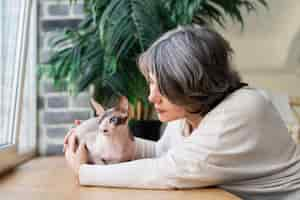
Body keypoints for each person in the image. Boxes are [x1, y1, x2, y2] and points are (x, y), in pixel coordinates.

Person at [63, 25, 300, 200]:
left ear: (191, 84)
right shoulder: (191, 111)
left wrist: (85, 171)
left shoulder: (239, 112)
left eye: (161, 86)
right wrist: (110, 142)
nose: (151, 97)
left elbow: (168, 172)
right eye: (151, 83)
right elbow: (163, 153)